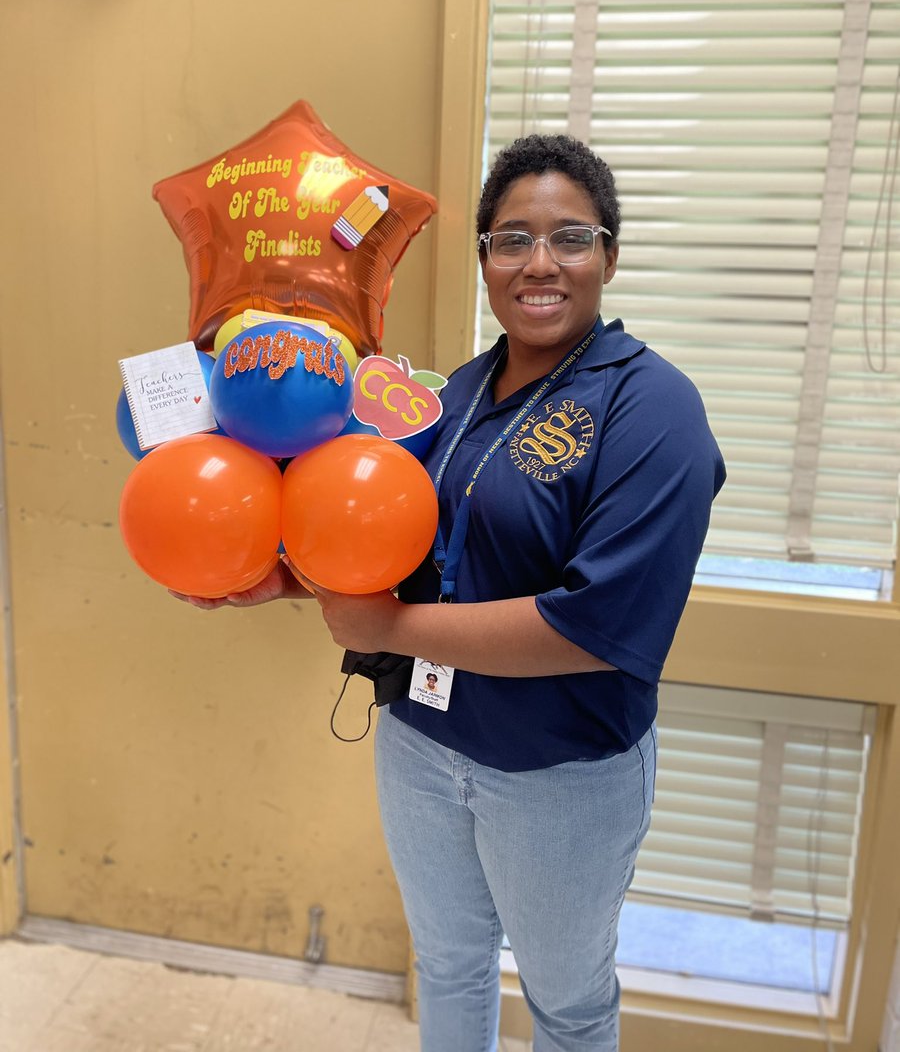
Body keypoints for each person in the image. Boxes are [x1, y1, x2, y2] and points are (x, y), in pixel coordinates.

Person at [177, 134, 725, 1052]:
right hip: (423, 746)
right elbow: (385, 546)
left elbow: (595, 625)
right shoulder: (456, 395)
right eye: (511, 239)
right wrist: (270, 582)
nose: (538, 262)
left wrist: (389, 623)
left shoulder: (654, 408)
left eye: (570, 237)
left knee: (567, 1004)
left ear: (610, 257)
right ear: (483, 261)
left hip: (561, 775)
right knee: (450, 965)